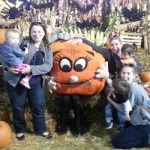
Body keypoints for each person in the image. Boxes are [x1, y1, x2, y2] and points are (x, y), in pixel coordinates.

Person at [0, 22, 53, 140]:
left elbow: (48, 66)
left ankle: (41, 129)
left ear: (44, 32)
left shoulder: (48, 48)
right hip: (16, 79)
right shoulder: (21, 41)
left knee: (38, 105)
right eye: (33, 31)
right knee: (18, 106)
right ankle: (20, 129)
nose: (36, 34)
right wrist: (8, 68)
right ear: (30, 32)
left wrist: (31, 69)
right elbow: (3, 53)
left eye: (39, 31)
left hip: (35, 81)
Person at [111, 65, 150, 149]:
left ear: (134, 76)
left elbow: (124, 109)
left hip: (144, 123)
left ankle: (147, 140)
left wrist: (109, 99)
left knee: (116, 142)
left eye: (128, 73)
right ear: (120, 74)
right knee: (116, 117)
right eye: (123, 73)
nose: (125, 76)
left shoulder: (133, 89)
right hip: (136, 119)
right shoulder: (127, 87)